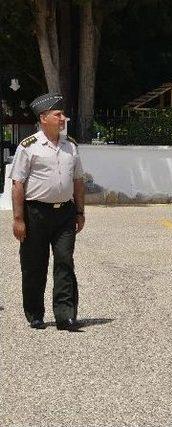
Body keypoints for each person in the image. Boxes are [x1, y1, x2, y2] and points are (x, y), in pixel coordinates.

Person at [10, 93, 86, 331]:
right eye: (58, 114)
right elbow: (18, 184)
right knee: (34, 264)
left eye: (62, 114)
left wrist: (80, 211)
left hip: (65, 213)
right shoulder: (29, 147)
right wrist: (18, 218)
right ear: (44, 118)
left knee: (65, 262)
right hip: (36, 214)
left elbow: (78, 180)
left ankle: (65, 315)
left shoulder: (70, 146)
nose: (63, 118)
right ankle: (35, 313)